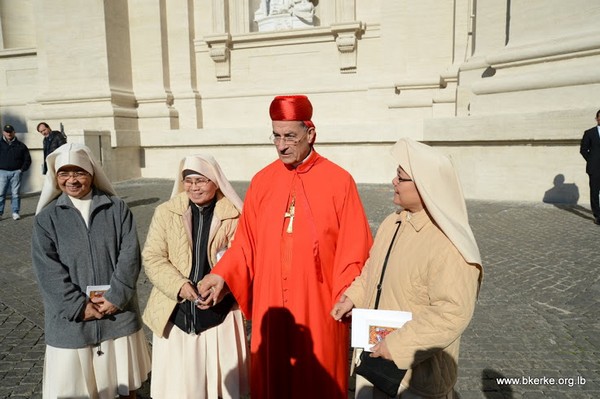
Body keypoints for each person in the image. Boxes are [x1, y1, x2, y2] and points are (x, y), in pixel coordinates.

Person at [198, 95, 373, 399]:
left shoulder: (339, 181)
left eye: (289, 136)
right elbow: (245, 243)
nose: (281, 145)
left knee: (316, 382)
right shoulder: (262, 182)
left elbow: (355, 247)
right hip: (272, 307)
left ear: (310, 134)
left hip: (319, 306)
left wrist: (349, 293)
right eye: (276, 136)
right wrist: (222, 275)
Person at [331, 138, 483, 399]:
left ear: (425, 186)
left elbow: (452, 313)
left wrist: (397, 346)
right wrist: (353, 297)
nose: (393, 182)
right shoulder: (394, 221)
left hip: (414, 379)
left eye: (401, 178)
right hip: (376, 360)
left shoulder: (448, 244)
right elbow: (373, 268)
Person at [31, 143, 151, 399]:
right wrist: (78, 306)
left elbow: (129, 255)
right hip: (71, 321)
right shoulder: (46, 218)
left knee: (124, 388)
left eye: (79, 173)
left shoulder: (117, 208)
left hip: (117, 315)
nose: (72, 180)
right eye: (64, 173)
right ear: (55, 177)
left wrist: (117, 296)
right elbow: (47, 269)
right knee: (75, 390)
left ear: (92, 173)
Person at [142, 154, 249, 399]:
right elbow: (153, 256)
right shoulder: (165, 212)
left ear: (214, 181)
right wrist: (179, 285)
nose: (194, 187)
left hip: (219, 312)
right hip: (176, 311)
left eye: (200, 181)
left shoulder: (234, 215)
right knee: (179, 387)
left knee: (219, 385)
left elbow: (243, 258)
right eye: (188, 181)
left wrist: (223, 287)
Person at [0, 124, 31, 220]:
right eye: (6, 131)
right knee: (0, 193)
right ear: (3, 132)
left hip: (16, 172)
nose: (8, 133)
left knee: (16, 193)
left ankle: (15, 212)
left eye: (10, 132)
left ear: (14, 132)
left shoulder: (21, 146)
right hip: (2, 172)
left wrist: (21, 170)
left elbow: (27, 159)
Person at [579, 109, 600, 225]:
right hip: (595, 168)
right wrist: (591, 160)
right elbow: (583, 150)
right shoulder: (589, 133)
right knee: (595, 192)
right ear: (597, 118)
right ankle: (598, 215)